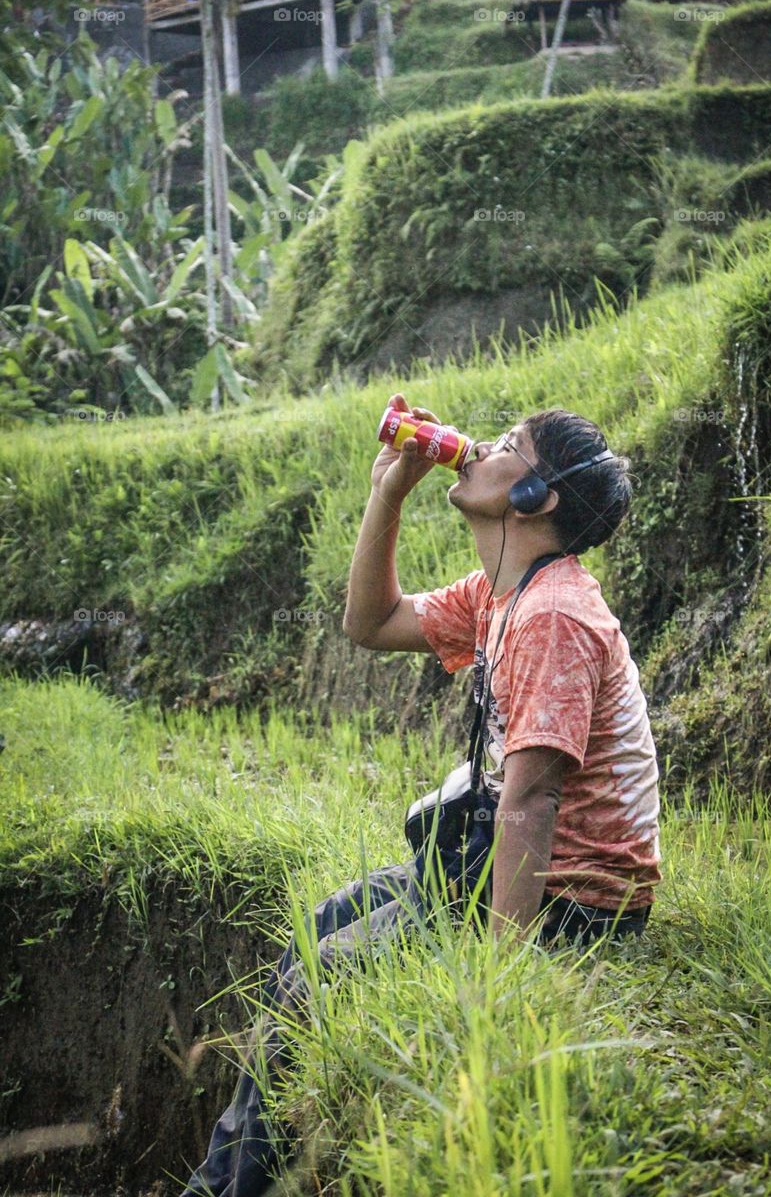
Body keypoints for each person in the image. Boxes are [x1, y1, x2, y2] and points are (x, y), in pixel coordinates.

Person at [180, 392, 661, 1195]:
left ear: (533, 496)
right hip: (498, 865)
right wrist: (388, 491)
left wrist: (501, 978)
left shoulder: (554, 615)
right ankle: (216, 1183)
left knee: (317, 983)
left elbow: (533, 801)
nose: (478, 446)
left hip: (575, 900)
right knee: (320, 930)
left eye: (509, 443)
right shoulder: (498, 594)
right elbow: (371, 623)